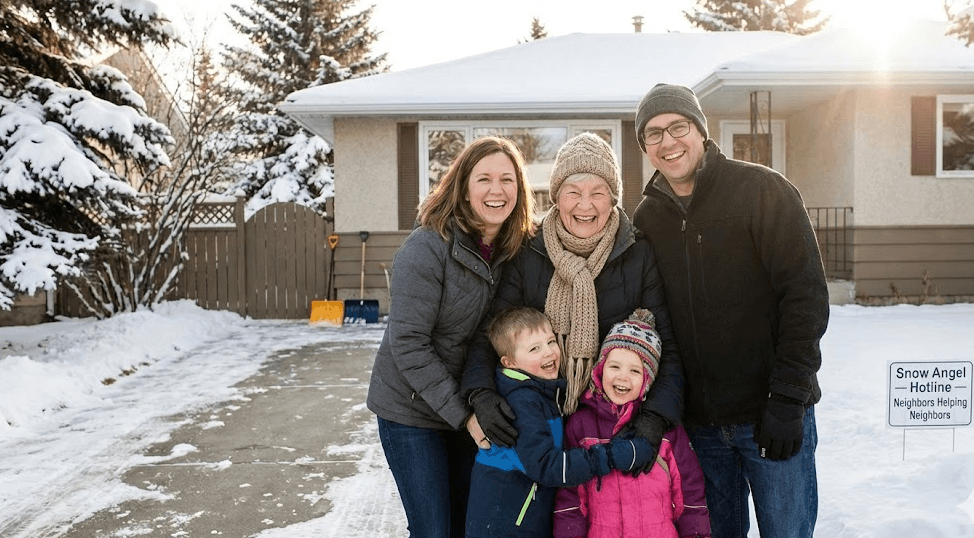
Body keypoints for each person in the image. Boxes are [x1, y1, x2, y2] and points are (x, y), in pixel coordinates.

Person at [631, 83, 830, 538]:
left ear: (700, 130)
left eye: (677, 127)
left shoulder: (763, 191)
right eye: (654, 134)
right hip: (700, 428)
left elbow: (806, 299)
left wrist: (787, 398)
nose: (668, 142)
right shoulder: (647, 220)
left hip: (771, 414)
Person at [462, 132, 684, 475]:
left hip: (611, 425)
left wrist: (655, 417)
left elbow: (666, 342)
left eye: (598, 193)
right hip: (540, 418)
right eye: (573, 192)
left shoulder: (637, 253)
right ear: (556, 198)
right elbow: (490, 333)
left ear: (613, 200)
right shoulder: (529, 250)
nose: (585, 205)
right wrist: (481, 395)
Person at [366, 136, 535, 538]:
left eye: (507, 180)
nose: (497, 190)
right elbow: (408, 343)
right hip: (410, 413)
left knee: (466, 523)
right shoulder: (427, 247)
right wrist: (466, 415)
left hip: (466, 404)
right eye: (485, 179)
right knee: (433, 529)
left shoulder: (513, 250)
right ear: (463, 186)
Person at [465, 307, 656, 538]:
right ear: (510, 362)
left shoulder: (541, 391)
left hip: (523, 518)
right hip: (501, 523)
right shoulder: (520, 402)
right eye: (534, 348)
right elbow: (547, 466)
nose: (548, 353)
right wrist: (613, 455)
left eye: (551, 342)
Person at [554, 309, 711, 538]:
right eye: (614, 366)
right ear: (600, 369)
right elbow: (570, 498)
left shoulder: (667, 431)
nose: (622, 377)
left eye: (635, 371)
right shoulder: (581, 426)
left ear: (648, 381)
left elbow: (689, 492)